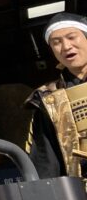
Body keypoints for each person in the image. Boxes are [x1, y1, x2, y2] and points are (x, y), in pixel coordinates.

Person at [25, 12, 87, 179]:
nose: (66, 46)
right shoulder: (48, 99)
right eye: (56, 42)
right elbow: (45, 160)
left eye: (72, 37)